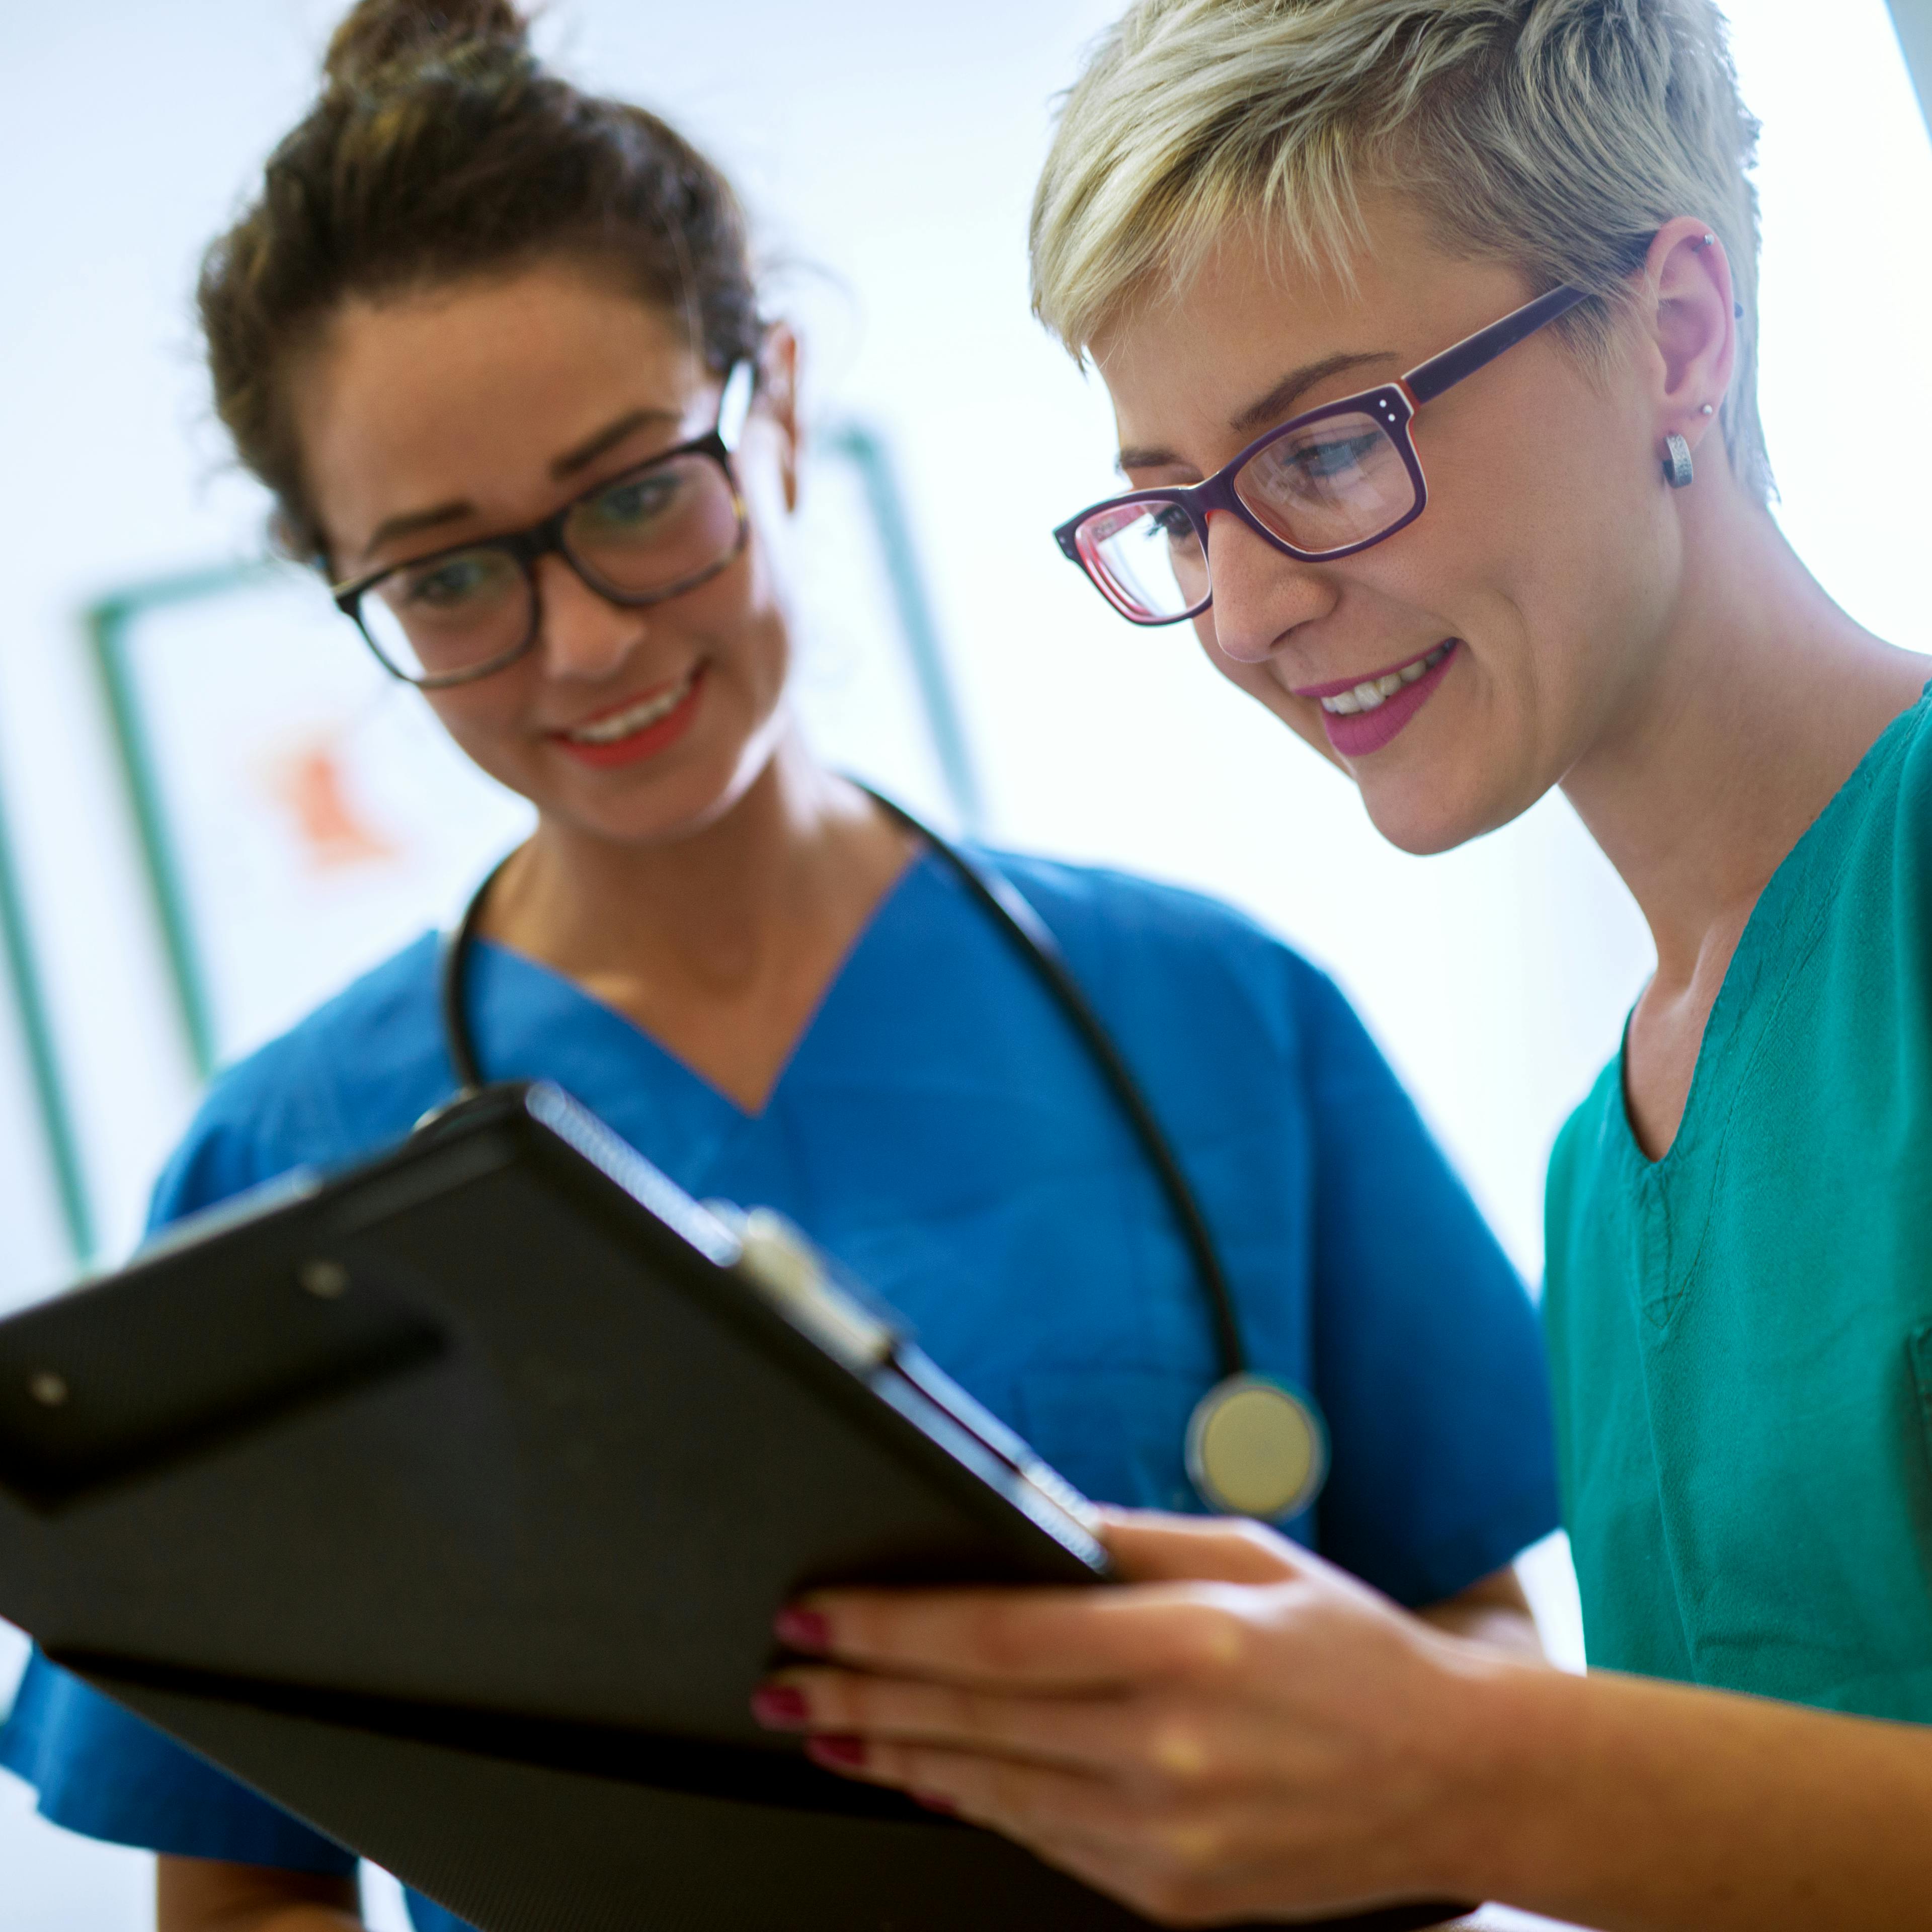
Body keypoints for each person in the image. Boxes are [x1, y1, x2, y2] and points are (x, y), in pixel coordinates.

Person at [0, 4, 1564, 1929]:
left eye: (638, 491)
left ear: (782, 407)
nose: (580, 644)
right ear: (350, 587)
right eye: (451, 575)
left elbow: (1485, 1663)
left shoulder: (1216, 1012)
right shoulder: (284, 1172)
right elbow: (244, 1887)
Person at [755, 1, 1932, 1925]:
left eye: (1322, 444)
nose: (1248, 608)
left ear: (1681, 333)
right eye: (1177, 506)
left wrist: (1468, 1768)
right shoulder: (1612, 1145)